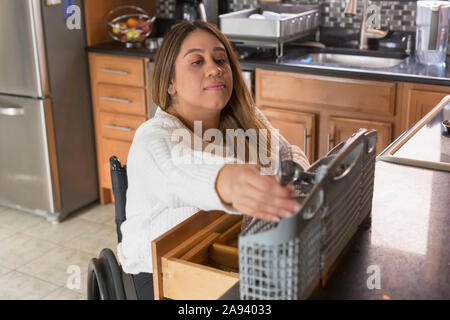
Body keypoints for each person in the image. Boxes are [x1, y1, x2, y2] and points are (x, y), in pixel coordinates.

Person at [117, 21, 309, 299]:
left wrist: (297, 177)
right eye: (197, 61)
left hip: (222, 251)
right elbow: (176, 170)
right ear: (170, 83)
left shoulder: (248, 122)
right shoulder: (153, 137)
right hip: (157, 276)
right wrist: (226, 180)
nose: (215, 68)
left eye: (221, 59)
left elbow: (288, 154)